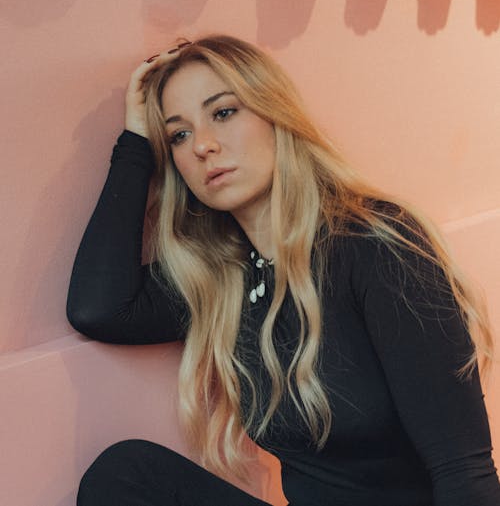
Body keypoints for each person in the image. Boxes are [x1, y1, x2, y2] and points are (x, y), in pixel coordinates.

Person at [67, 35, 500, 506]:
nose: (204, 146)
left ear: (275, 116)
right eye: (179, 135)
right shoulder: (224, 277)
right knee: (125, 474)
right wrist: (135, 145)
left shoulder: (377, 244)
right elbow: (99, 309)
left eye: (224, 112)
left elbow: (464, 468)